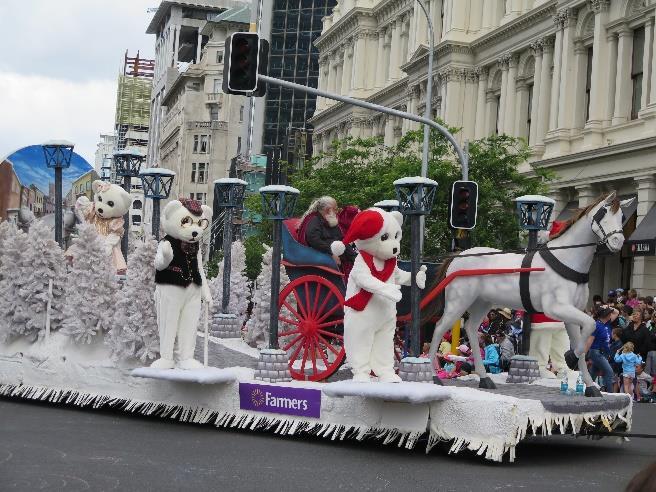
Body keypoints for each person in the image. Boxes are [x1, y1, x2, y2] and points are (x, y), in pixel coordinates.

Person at [297, 196, 357, 269]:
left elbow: (339, 237)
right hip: (319, 253)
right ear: (327, 210)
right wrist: (331, 253)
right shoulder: (314, 220)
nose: (337, 212)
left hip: (334, 250)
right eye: (335, 209)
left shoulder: (329, 219)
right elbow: (314, 240)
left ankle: (357, 262)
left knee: (345, 246)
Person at [586, 305, 616, 392]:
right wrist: (584, 354)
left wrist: (607, 306)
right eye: (608, 313)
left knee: (593, 373)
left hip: (602, 353)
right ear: (605, 315)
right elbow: (590, 341)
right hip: (596, 352)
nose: (611, 314)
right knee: (609, 372)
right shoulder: (596, 325)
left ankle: (586, 390)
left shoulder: (606, 323)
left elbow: (616, 312)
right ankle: (610, 394)